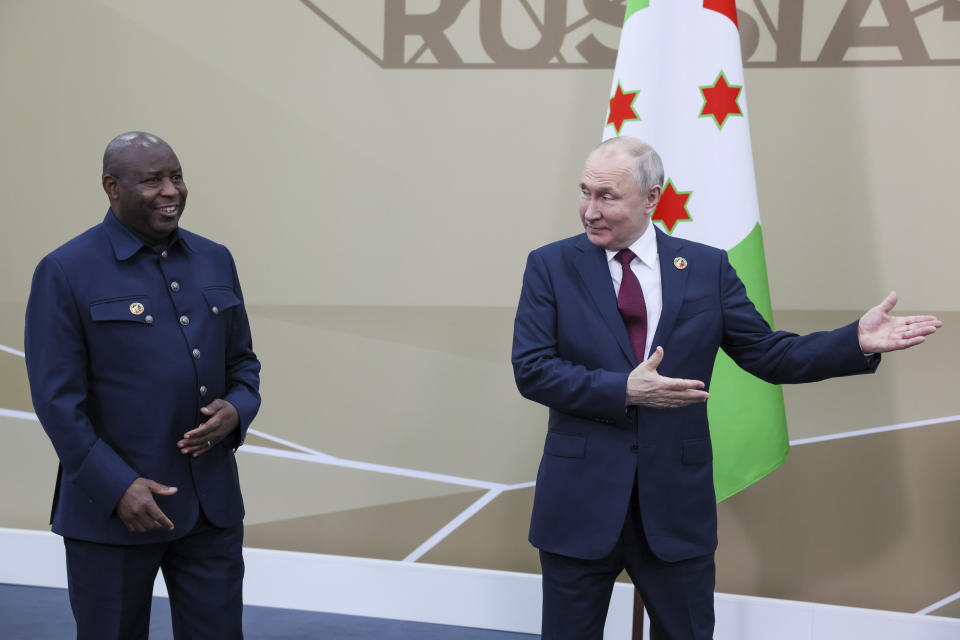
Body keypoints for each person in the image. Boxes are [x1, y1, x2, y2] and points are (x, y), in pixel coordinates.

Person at [511, 136, 941, 640]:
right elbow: (533, 368)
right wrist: (624, 390)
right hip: (579, 506)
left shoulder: (706, 268)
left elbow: (769, 354)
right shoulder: (550, 265)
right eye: (584, 192)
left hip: (674, 510)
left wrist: (855, 340)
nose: (589, 210)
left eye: (607, 196)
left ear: (652, 197)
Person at [24, 131, 261, 639]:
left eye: (176, 176)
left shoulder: (215, 258)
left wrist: (238, 408)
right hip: (113, 513)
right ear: (111, 187)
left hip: (209, 511)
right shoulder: (65, 270)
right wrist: (117, 487)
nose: (170, 190)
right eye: (152, 180)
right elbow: (57, 401)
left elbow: (244, 363)